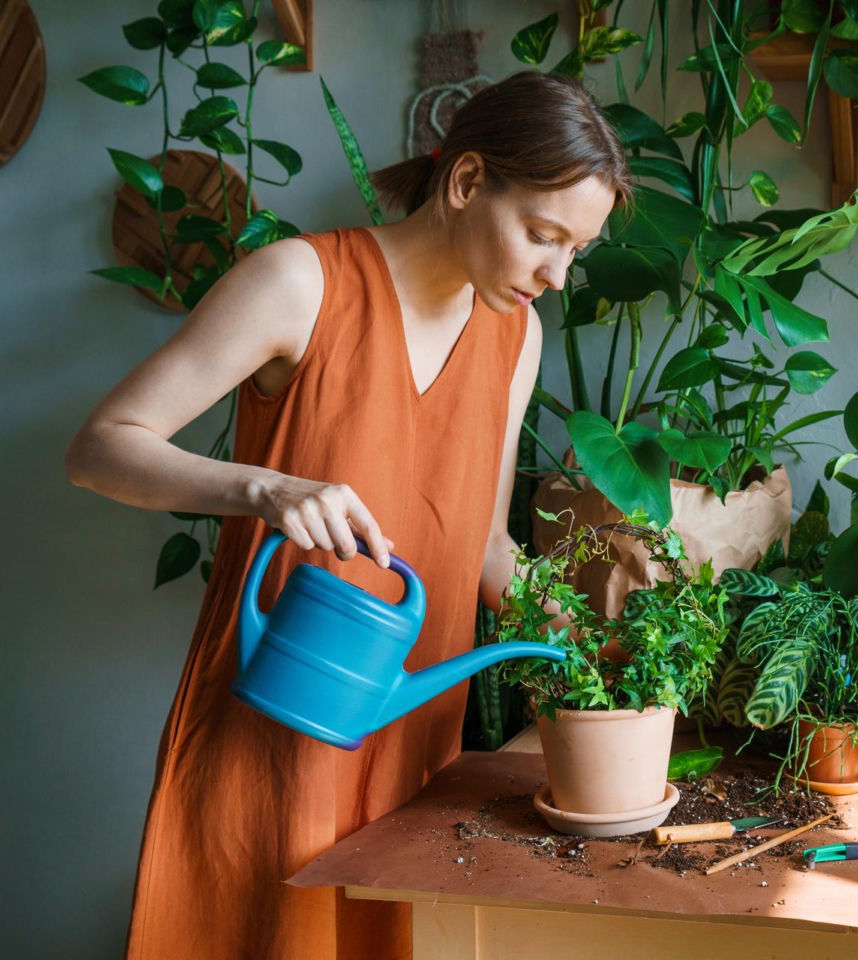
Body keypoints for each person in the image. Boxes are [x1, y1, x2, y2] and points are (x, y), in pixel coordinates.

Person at [65, 70, 630, 960]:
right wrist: (265, 487)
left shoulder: (517, 335)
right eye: (543, 236)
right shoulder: (300, 282)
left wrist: (601, 646)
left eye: (575, 251)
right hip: (272, 750)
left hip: (413, 762)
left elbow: (482, 546)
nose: (557, 275)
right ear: (468, 181)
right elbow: (100, 447)